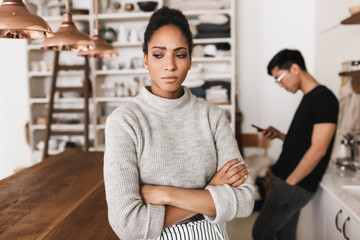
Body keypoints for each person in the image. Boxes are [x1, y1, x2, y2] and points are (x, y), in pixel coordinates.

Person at [103, 6, 255, 240]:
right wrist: (210, 192)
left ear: (190, 60)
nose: (170, 65)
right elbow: (129, 226)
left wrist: (164, 194)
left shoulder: (212, 116)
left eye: (180, 54)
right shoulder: (124, 122)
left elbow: (245, 200)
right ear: (145, 59)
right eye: (158, 54)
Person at [252, 49, 339, 240]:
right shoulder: (309, 98)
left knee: (260, 232)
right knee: (285, 234)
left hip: (293, 183)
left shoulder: (324, 99)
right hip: (287, 180)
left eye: (279, 78)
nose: (280, 84)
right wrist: (281, 135)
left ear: (295, 68)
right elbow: (305, 142)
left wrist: (289, 184)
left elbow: (318, 150)